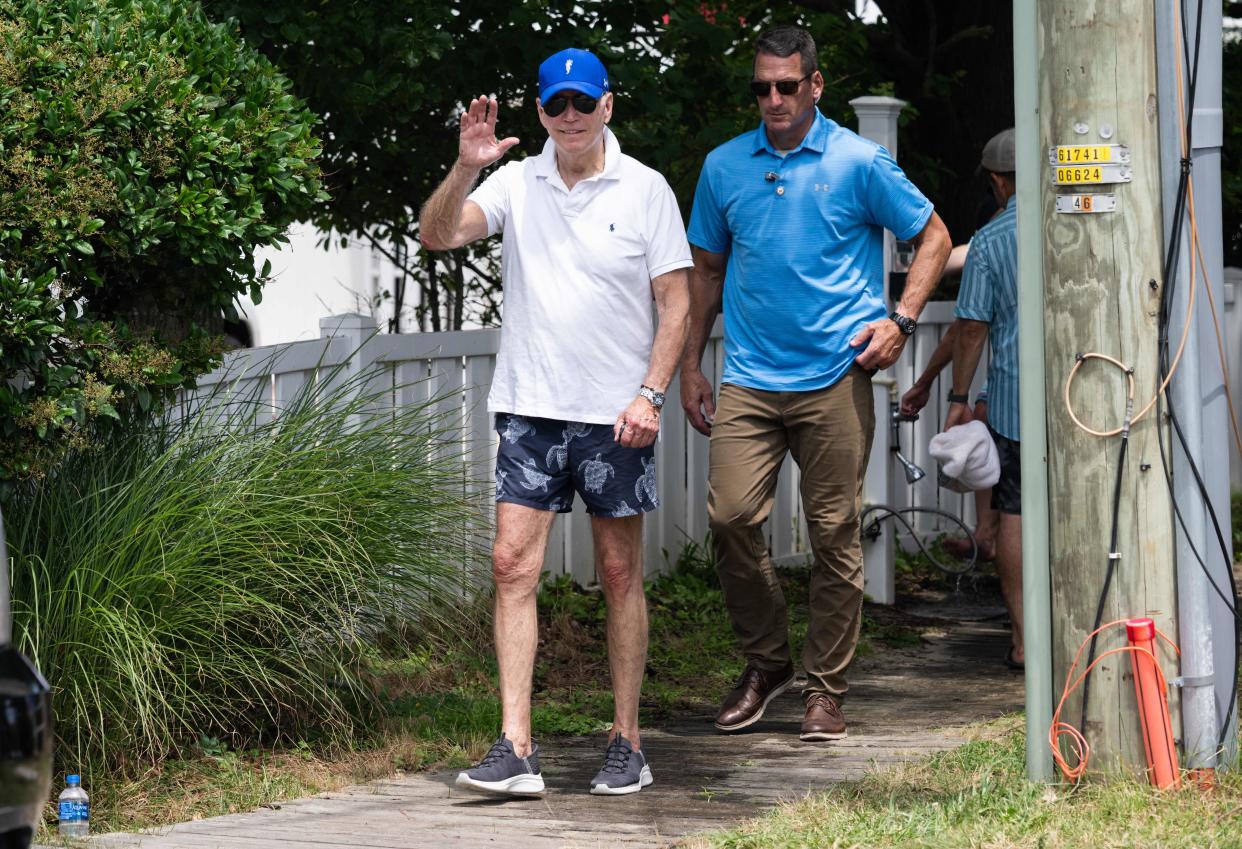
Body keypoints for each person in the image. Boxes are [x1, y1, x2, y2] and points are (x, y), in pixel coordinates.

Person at [419, 48, 692, 795]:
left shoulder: (645, 189)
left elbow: (675, 301)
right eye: (555, 104)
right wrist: (466, 165)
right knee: (511, 566)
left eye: (582, 102)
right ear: (540, 112)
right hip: (531, 409)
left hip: (617, 417)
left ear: (608, 105)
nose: (568, 116)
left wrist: (652, 393)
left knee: (618, 572)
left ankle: (627, 742)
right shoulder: (516, 182)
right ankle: (516, 746)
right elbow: (438, 234)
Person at [680, 25, 952, 742]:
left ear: (815, 85)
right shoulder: (724, 167)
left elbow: (935, 237)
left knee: (834, 532)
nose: (773, 98)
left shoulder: (859, 162)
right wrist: (687, 365)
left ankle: (825, 689)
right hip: (748, 377)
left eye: (786, 86)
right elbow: (705, 272)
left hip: (836, 375)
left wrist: (900, 319)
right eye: (761, 87)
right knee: (731, 518)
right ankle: (768, 664)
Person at [941, 127, 1023, 669]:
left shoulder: (992, 240)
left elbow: (971, 327)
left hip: (1016, 401)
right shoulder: (1086, 219)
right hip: (1096, 402)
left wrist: (959, 395)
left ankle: (1024, 641)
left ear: (997, 181)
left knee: (1015, 512)